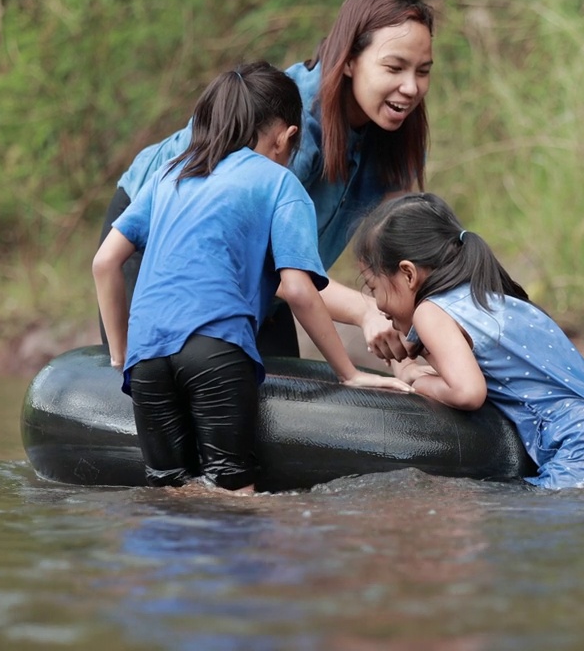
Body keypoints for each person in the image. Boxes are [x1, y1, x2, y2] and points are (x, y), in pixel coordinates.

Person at [94, 62, 412, 494]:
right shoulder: (279, 183)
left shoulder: (173, 173)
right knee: (236, 492)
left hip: (147, 358)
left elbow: (105, 263)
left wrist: (120, 352)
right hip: (215, 349)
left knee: (169, 491)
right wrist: (347, 373)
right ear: (288, 136)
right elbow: (298, 289)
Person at [100, 0, 435, 362]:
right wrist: (364, 310)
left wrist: (409, 345)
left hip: (265, 274)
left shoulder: (399, 138)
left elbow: (393, 256)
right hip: (157, 244)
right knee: (164, 384)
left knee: (280, 400)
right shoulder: (287, 132)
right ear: (350, 59)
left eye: (422, 71)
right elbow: (263, 259)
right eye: (394, 67)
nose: (410, 87)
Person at [352, 193, 584, 489]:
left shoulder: (431, 312)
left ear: (407, 274)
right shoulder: (494, 299)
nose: (377, 304)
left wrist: (412, 377)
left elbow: (468, 392)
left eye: (373, 286)